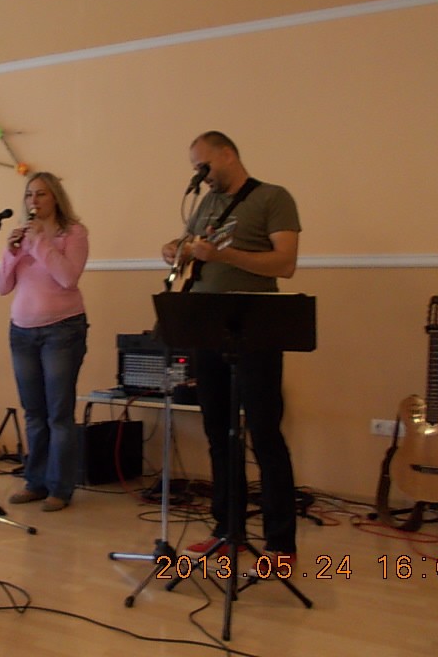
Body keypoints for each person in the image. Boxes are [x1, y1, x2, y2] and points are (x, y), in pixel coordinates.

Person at [161, 130, 301, 574]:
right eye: (195, 169)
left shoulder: (273, 197)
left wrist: (227, 256)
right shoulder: (206, 204)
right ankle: (228, 530)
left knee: (264, 433)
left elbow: (286, 263)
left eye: (203, 165)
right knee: (218, 432)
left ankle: (281, 542)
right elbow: (192, 250)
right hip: (208, 326)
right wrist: (176, 250)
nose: (200, 175)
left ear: (227, 155)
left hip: (256, 327)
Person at [0, 172, 89, 512]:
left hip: (62, 331)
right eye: (29, 195)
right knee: (33, 412)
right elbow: (1, 287)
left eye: (41, 194)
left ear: (56, 198)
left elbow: (68, 277)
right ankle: (35, 482)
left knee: (58, 414)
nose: (33, 201)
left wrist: (39, 243)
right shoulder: (22, 235)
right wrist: (11, 253)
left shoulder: (73, 233)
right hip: (21, 331)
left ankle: (60, 488)